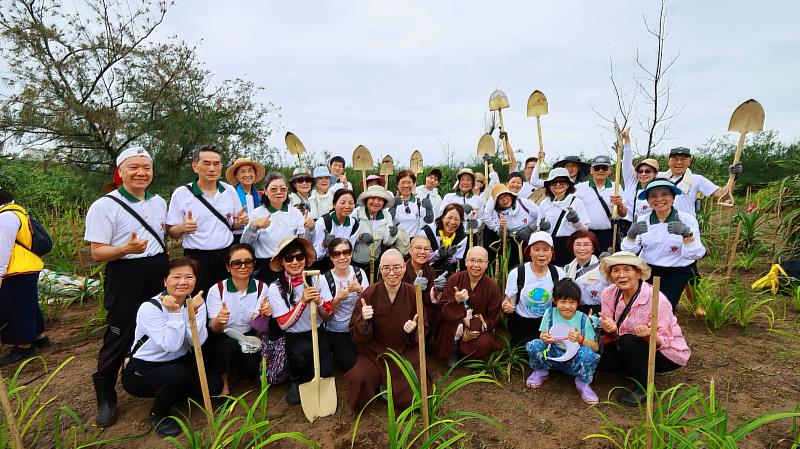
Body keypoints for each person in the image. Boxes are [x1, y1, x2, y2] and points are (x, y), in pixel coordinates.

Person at [83, 147, 168, 426]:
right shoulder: (104, 206)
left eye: (146, 167)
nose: (141, 173)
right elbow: (97, 252)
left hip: (158, 270)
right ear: (120, 172)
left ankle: (159, 382)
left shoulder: (159, 202)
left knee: (161, 324)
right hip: (125, 273)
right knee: (120, 331)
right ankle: (106, 395)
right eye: (134, 167)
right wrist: (125, 249)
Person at [121, 257, 222, 437]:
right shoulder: (150, 308)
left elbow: (196, 342)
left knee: (214, 386)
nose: (183, 282)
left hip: (180, 361)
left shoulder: (196, 301)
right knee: (177, 375)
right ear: (165, 280)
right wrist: (175, 313)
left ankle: (176, 392)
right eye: (176, 277)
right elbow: (172, 345)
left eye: (189, 277)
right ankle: (158, 414)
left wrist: (195, 314)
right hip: (144, 368)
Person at [596, 251, 690, 406]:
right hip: (627, 346)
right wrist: (610, 329)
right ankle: (633, 370)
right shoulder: (609, 293)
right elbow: (611, 331)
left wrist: (648, 335)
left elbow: (662, 342)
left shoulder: (656, 299)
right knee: (601, 361)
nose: (621, 275)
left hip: (663, 353)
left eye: (627, 270)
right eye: (616, 270)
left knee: (629, 341)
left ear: (638, 273)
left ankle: (643, 388)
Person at [345, 249, 429, 411]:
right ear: (380, 269)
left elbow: (423, 327)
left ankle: (386, 389)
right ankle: (380, 385)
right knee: (359, 377)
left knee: (416, 394)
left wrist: (412, 330)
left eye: (397, 267)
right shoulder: (369, 293)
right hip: (375, 354)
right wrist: (364, 319)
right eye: (386, 268)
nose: (392, 273)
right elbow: (355, 333)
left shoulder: (413, 293)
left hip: (405, 353)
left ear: (404, 268)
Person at [167, 145, 247, 294]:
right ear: (195, 166)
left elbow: (233, 225)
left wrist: (239, 222)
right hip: (196, 257)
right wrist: (183, 227)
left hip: (226, 255)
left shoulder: (229, 190)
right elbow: (171, 231)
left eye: (216, 164)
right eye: (206, 163)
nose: (212, 168)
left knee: (225, 298)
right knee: (198, 300)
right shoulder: (182, 193)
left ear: (221, 167)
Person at [266, 237, 333, 405]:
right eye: (289, 258)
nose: (295, 262)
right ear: (282, 262)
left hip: (317, 331)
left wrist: (319, 302)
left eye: (299, 257)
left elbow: (328, 314)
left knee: (324, 371)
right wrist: (302, 302)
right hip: (294, 336)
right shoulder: (276, 287)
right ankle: (293, 378)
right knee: (302, 354)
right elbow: (283, 324)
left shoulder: (318, 279)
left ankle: (310, 376)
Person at [622, 180, 705, 310]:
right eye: (653, 195)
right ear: (648, 200)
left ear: (673, 197)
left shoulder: (687, 219)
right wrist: (630, 237)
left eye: (665, 194)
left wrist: (687, 236)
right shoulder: (643, 220)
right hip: (647, 269)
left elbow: (695, 254)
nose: (659, 199)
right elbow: (630, 251)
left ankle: (663, 329)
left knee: (664, 307)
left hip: (677, 270)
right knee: (641, 306)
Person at [206, 244, 271, 396]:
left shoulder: (262, 287)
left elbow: (260, 325)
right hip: (225, 335)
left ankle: (243, 370)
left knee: (250, 370)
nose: (243, 266)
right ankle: (224, 383)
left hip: (249, 336)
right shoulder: (217, 290)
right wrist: (220, 320)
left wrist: (265, 313)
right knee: (227, 347)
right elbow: (215, 328)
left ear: (254, 264)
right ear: (228, 267)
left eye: (248, 262)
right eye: (236, 263)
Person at [525, 279, 600, 404]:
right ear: (555, 301)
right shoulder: (550, 313)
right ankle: (541, 370)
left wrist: (580, 339)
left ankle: (582, 383)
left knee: (588, 353)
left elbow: (595, 348)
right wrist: (545, 338)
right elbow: (542, 334)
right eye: (563, 301)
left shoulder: (583, 319)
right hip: (552, 355)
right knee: (535, 344)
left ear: (578, 303)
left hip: (573, 359)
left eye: (572, 302)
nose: (567, 306)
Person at [0, 187, 48, 368]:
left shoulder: (5, 218)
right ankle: (39, 338)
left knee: (14, 307)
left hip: (15, 269)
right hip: (27, 266)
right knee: (29, 304)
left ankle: (23, 347)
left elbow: (2, 248)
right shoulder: (17, 212)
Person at [241, 172, 311, 284]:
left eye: (283, 189)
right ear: (265, 190)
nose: (279, 192)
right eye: (274, 189)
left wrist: (310, 228)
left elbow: (304, 242)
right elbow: (245, 245)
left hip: (290, 264)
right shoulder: (256, 214)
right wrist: (253, 227)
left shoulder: (295, 213)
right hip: (265, 267)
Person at [437, 247, 502, 366]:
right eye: (472, 260)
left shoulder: (492, 287)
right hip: (455, 323)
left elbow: (494, 318)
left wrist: (471, 325)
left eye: (480, 261)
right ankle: (453, 351)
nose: (476, 265)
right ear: (466, 262)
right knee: (451, 327)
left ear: (487, 264)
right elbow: (442, 310)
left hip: (478, 328)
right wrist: (456, 301)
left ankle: (468, 355)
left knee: (484, 343)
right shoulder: (455, 279)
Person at [503, 232, 566, 347]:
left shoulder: (559, 274)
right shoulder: (517, 273)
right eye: (536, 249)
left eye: (546, 250)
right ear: (529, 252)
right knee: (532, 350)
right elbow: (508, 302)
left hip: (549, 323)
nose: (541, 254)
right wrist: (506, 306)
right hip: (522, 324)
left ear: (552, 252)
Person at [318, 238, 368, 372]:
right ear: (330, 257)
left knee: (369, 357)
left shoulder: (359, 274)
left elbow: (369, 305)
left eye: (346, 252)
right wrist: (338, 299)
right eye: (336, 254)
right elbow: (326, 317)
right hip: (337, 330)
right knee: (351, 363)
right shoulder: (325, 280)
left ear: (351, 254)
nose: (342, 257)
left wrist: (360, 291)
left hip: (358, 327)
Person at [660, 146, 740, 214]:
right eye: (675, 159)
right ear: (669, 162)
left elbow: (724, 194)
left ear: (689, 162)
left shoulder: (697, 179)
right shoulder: (658, 177)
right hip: (660, 226)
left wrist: (733, 177)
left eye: (684, 159)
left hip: (686, 226)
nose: (679, 162)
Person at [537, 168, 590, 266]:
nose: (558, 184)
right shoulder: (544, 204)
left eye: (562, 181)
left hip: (570, 245)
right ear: (549, 185)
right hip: (550, 245)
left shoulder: (577, 202)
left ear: (568, 184)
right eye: (554, 182)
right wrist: (542, 228)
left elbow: (585, 230)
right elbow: (538, 228)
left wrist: (576, 221)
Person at [575, 155, 626, 253]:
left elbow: (623, 214)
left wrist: (620, 205)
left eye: (604, 168)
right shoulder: (580, 188)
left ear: (609, 170)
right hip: (587, 234)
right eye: (597, 168)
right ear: (591, 169)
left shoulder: (616, 187)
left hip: (609, 233)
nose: (601, 171)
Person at [483, 183, 539, 269]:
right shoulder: (498, 214)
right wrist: (502, 228)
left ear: (511, 195)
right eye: (500, 199)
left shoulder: (523, 203)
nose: (504, 200)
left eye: (505, 196)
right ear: (497, 203)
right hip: (516, 244)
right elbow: (502, 236)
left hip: (533, 241)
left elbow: (541, 216)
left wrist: (529, 229)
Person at [402, 236, 445, 345]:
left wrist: (437, 289)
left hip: (426, 309)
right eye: (418, 248)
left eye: (426, 249)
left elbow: (431, 299)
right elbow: (396, 296)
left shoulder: (429, 270)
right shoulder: (401, 269)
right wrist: (413, 288)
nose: (422, 252)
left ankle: (430, 342)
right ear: (410, 250)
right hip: (405, 309)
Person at [352, 185, 399, 281]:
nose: (376, 202)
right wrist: (360, 237)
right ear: (366, 200)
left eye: (380, 200)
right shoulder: (356, 213)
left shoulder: (387, 216)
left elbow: (387, 242)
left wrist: (392, 234)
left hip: (375, 261)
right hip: (355, 261)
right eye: (373, 198)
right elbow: (347, 235)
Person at [312, 189, 360, 271]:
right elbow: (314, 255)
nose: (347, 206)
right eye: (343, 203)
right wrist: (324, 245)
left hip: (342, 265)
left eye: (351, 203)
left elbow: (349, 251)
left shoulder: (354, 224)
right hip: (323, 265)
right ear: (334, 204)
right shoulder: (323, 222)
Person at [620, 130, 659, 222]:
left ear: (655, 174)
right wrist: (627, 141)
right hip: (626, 226)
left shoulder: (658, 190)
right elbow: (626, 162)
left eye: (648, 171)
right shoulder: (631, 183)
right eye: (640, 171)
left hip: (647, 228)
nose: (643, 174)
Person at [565, 231, 607, 316]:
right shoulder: (566, 269)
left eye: (586, 245)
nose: (582, 248)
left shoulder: (603, 269)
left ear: (593, 248)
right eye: (578, 244)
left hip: (597, 312)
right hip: (572, 312)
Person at [225, 157, 265, 244]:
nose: (247, 174)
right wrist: (238, 221)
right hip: (236, 238)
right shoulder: (230, 195)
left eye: (250, 171)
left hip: (258, 236)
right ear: (236, 176)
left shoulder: (260, 196)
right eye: (242, 171)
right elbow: (227, 219)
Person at [421, 203, 467, 275]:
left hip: (448, 272)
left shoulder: (462, 237)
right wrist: (438, 254)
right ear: (443, 218)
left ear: (461, 222)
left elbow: (457, 258)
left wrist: (450, 256)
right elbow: (421, 256)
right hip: (426, 270)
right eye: (449, 217)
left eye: (457, 219)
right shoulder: (427, 231)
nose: (452, 222)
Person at [391, 170, 434, 242]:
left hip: (414, 243)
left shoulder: (418, 203)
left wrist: (429, 208)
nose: (406, 185)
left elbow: (429, 220)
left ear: (414, 184)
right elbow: (387, 220)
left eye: (409, 182)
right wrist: (393, 206)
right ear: (397, 184)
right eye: (403, 183)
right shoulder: (391, 202)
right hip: (396, 242)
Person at [439, 168, 482, 238]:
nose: (465, 182)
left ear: (473, 183)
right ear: (458, 182)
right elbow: (441, 214)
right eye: (462, 179)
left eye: (468, 180)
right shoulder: (449, 197)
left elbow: (481, 218)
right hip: (451, 235)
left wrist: (477, 223)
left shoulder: (477, 199)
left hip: (471, 235)